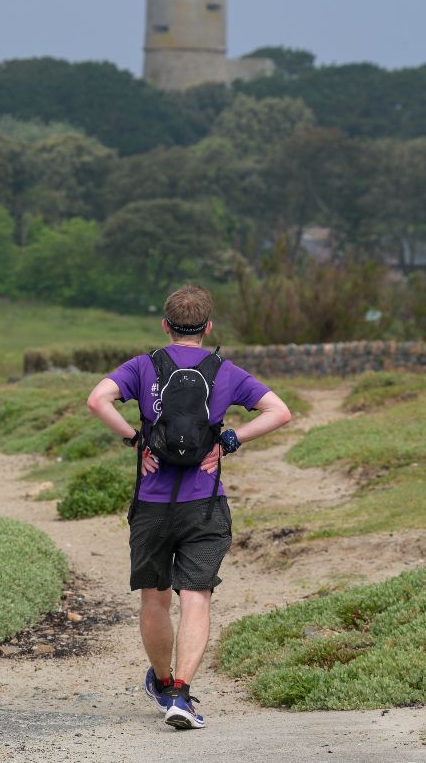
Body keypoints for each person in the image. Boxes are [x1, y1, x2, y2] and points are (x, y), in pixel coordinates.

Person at [86, 285, 291, 730]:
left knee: (155, 600)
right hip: (205, 504)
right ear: (208, 327)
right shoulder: (226, 371)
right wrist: (231, 439)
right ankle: (181, 694)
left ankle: (161, 684)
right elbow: (279, 411)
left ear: (165, 325)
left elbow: (96, 400)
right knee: (196, 596)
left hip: (152, 503)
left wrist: (133, 438)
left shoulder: (142, 366)